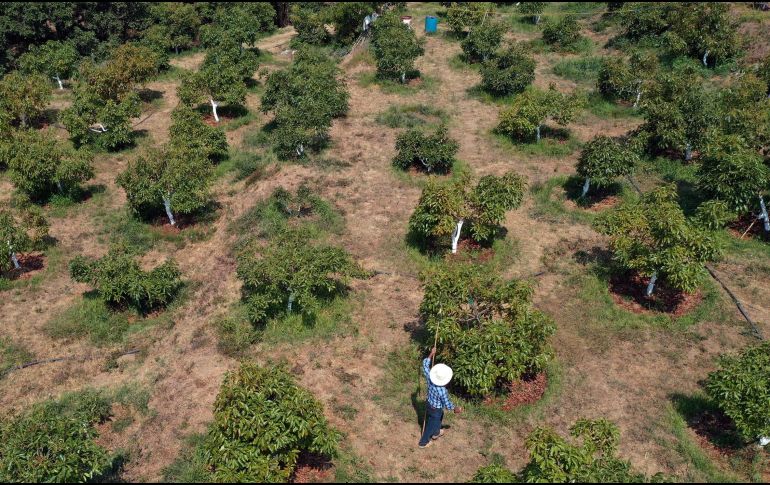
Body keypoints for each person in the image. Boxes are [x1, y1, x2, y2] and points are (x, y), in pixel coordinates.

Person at [419, 347, 462, 449]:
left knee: (440, 415)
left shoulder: (430, 377)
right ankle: (423, 442)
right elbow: (447, 404)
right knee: (430, 425)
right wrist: (455, 408)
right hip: (435, 409)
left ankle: (436, 432)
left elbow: (425, 365)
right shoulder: (442, 390)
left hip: (429, 404)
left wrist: (431, 354)